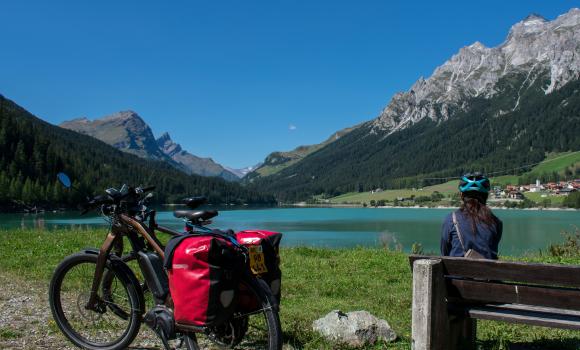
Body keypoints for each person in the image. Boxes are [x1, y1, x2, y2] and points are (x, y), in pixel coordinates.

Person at [440, 173, 503, 259]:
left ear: (461, 195)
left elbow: (444, 253)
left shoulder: (451, 220)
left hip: (456, 271)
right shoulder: (496, 223)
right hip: (487, 272)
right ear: (486, 196)